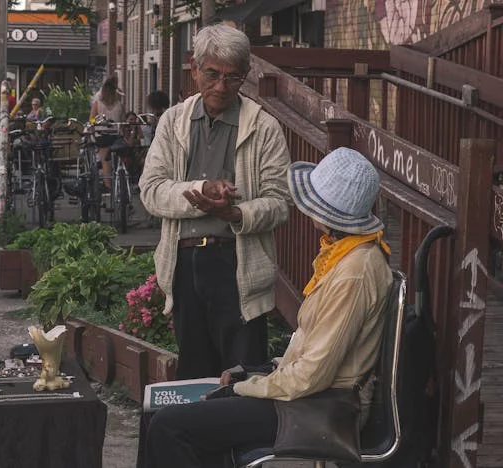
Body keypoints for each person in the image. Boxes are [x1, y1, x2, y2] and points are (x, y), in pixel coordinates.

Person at [144, 147, 394, 468]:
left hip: (318, 406)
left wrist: (249, 387)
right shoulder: (348, 257)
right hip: (306, 396)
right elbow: (314, 352)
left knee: (170, 426)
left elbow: (312, 375)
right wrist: (257, 371)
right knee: (162, 417)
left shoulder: (355, 271)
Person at [138, 24, 291, 380]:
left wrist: (236, 212)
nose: (221, 87)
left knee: (242, 376)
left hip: (237, 264)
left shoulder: (263, 127)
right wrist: (201, 190)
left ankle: (239, 435)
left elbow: (280, 203)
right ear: (195, 68)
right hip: (184, 262)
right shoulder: (173, 122)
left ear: (246, 77)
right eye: (212, 74)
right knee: (194, 374)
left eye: (233, 78)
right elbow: (151, 189)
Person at [90, 75, 125, 189]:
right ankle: (121, 177)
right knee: (118, 155)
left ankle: (107, 183)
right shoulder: (120, 104)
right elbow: (123, 121)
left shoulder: (97, 104)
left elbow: (92, 119)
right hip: (116, 134)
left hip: (102, 135)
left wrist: (96, 124)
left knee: (105, 159)